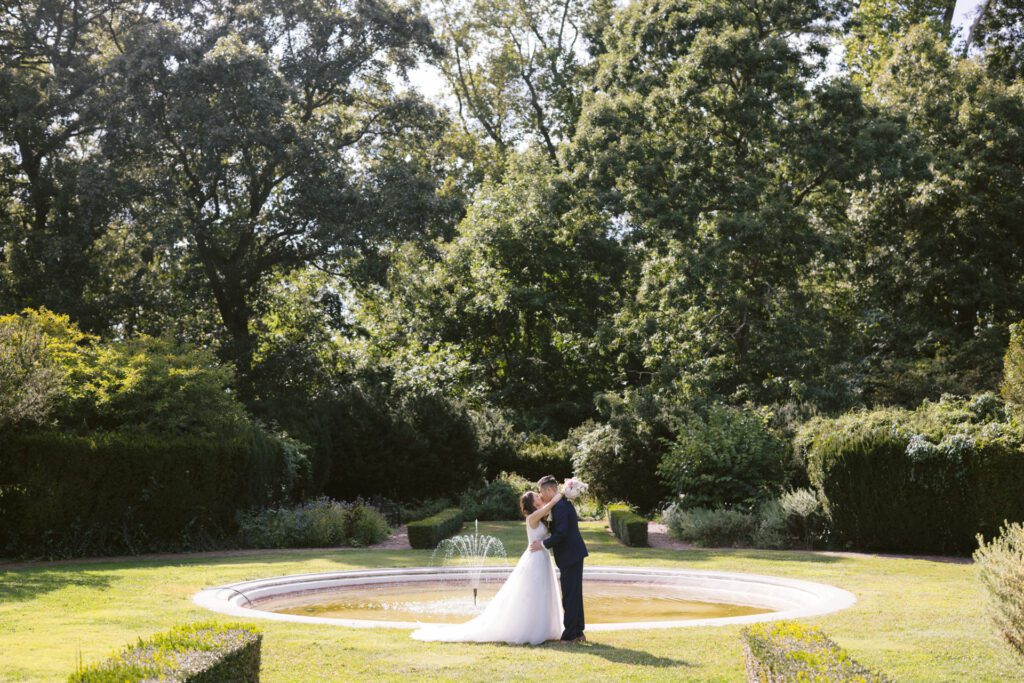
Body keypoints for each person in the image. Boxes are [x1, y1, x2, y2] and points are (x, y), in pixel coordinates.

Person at [408, 482, 565, 645]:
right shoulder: (532, 517)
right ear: (533, 504)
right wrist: (562, 493)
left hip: (543, 557)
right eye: (536, 496)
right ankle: (529, 628)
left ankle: (544, 627)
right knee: (531, 593)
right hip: (534, 558)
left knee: (542, 591)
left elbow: (549, 513)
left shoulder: (541, 516)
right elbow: (551, 505)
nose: (539, 496)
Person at [529, 474, 589, 643]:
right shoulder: (560, 504)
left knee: (570, 595)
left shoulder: (560, 506)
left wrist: (542, 544)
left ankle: (570, 635)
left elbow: (561, 533)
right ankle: (578, 632)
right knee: (574, 594)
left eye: (541, 492)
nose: (540, 495)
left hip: (570, 554)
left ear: (550, 489)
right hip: (573, 554)